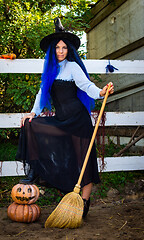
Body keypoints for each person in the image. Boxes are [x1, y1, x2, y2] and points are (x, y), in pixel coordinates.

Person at [16, 18, 114, 218]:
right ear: (52, 50)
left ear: (69, 50)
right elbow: (41, 93)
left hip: (78, 121)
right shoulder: (50, 70)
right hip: (61, 121)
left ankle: (84, 204)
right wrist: (33, 112)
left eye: (64, 48)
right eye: (57, 48)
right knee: (31, 125)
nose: (61, 51)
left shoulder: (72, 67)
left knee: (84, 162)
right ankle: (35, 169)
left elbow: (87, 87)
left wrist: (101, 92)